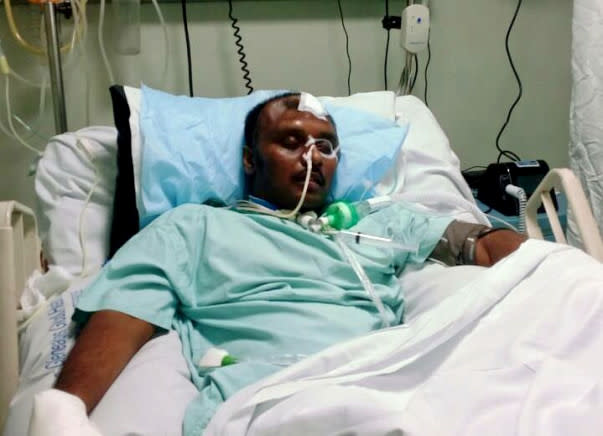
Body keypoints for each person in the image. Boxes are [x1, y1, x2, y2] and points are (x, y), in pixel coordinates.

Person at [45, 92, 525, 434]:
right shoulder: (193, 227)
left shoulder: (376, 221)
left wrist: (544, 262)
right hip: (267, 395)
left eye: (326, 146)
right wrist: (64, 410)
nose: (313, 157)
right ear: (250, 160)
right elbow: (124, 311)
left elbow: (479, 245)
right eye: (291, 142)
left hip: (385, 382)